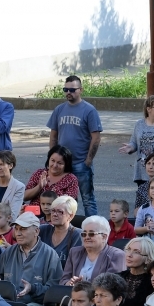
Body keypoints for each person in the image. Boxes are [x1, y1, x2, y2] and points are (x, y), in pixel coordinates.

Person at [46, 75, 103, 215]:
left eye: (72, 89)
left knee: (88, 199)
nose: (68, 92)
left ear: (81, 90)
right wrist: (52, 159)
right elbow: (53, 135)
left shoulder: (89, 110)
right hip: (62, 165)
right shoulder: (59, 109)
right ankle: (68, 229)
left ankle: (94, 229)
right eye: (65, 89)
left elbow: (95, 138)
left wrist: (88, 160)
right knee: (64, 200)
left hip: (81, 163)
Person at [0, 212, 63, 306]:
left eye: (23, 229)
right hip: (7, 301)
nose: (18, 233)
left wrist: (32, 289)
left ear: (36, 231)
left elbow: (54, 293)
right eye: (16, 229)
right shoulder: (8, 252)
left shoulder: (50, 255)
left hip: (36, 304)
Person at [60, 216, 125, 285]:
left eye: (91, 234)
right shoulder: (74, 252)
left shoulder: (116, 256)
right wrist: (71, 283)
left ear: (104, 237)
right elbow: (63, 281)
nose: (87, 237)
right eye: (84, 234)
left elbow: (111, 287)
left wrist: (83, 287)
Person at [118, 237, 154, 306]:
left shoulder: (153, 282)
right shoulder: (117, 278)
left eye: (136, 252)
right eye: (128, 249)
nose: (129, 254)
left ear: (147, 259)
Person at [38, 196, 82, 268]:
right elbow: (20, 236)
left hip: (64, 277)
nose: (55, 214)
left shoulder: (78, 235)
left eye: (60, 212)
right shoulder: (43, 230)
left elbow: (76, 266)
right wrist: (23, 216)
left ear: (70, 216)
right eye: (53, 210)